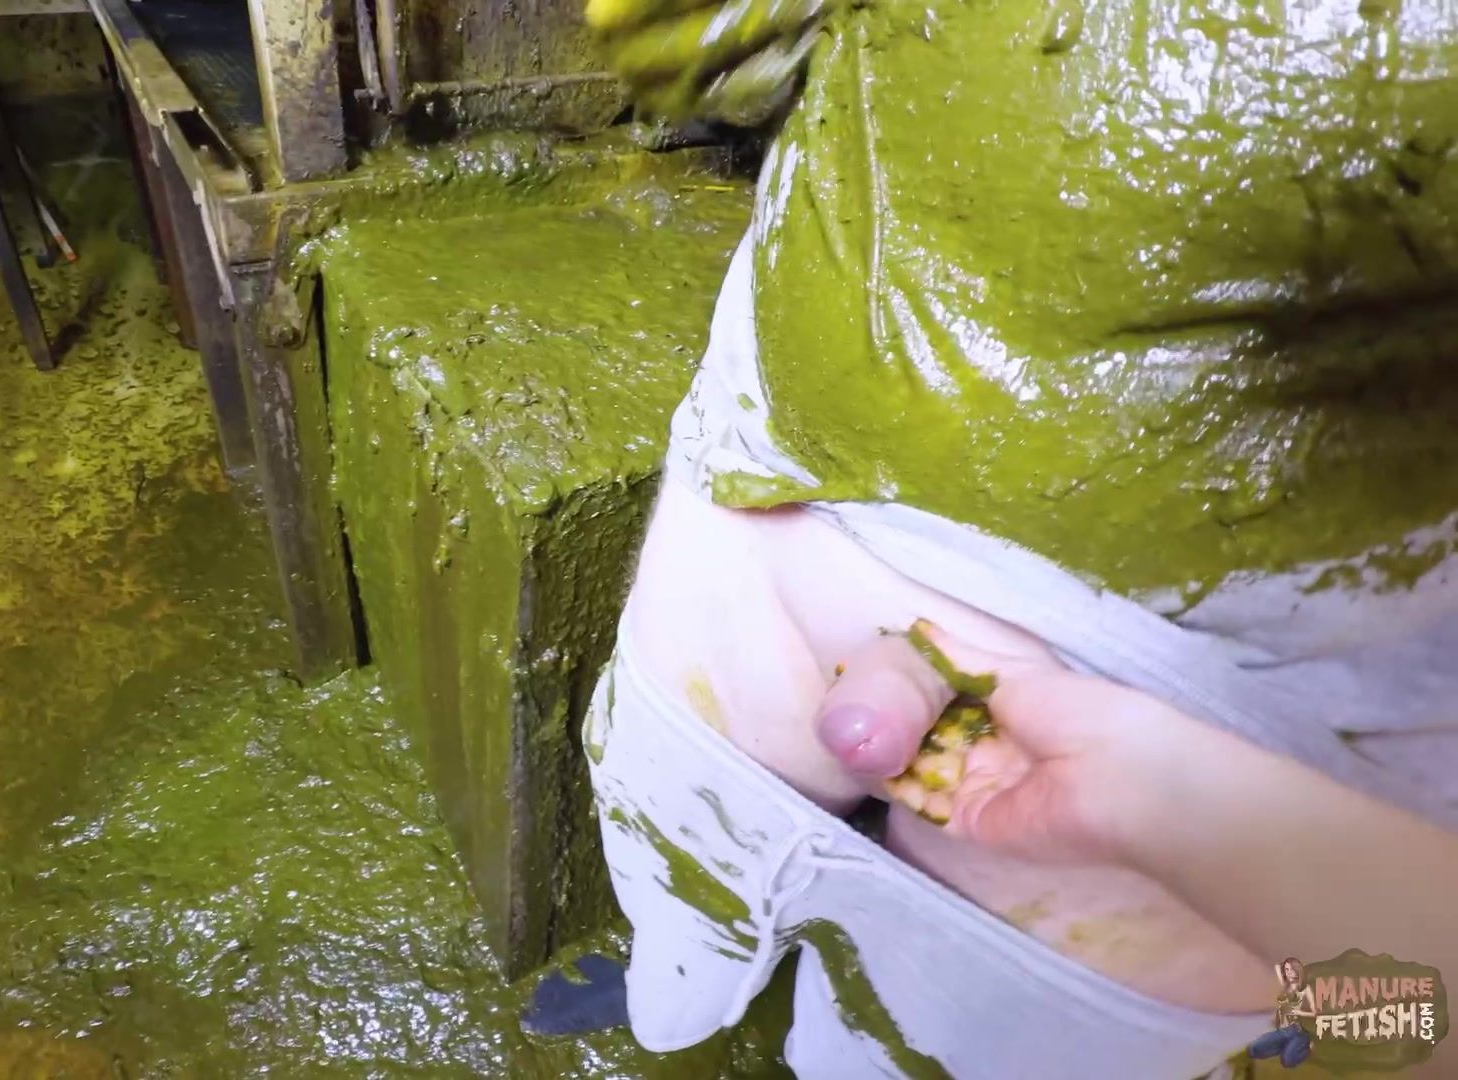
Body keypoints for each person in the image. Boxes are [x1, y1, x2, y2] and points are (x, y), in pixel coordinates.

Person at [579, 0, 1458, 1071]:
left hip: (790, 530)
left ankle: (682, 986)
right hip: (1279, 726)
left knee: (693, 861)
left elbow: (678, 33)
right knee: (1220, 1015)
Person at [1248, 959, 1317, 1068]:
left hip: (1296, 1031)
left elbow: (1314, 1013)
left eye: (1291, 970)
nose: (1288, 973)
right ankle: (1284, 1047)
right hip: (1281, 1030)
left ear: (1297, 971)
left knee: (1287, 1062)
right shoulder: (1284, 987)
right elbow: (1276, 967)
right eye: (1286, 970)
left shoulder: (1304, 990)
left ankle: (1307, 1048)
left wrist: (1298, 1012)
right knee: (1253, 1049)